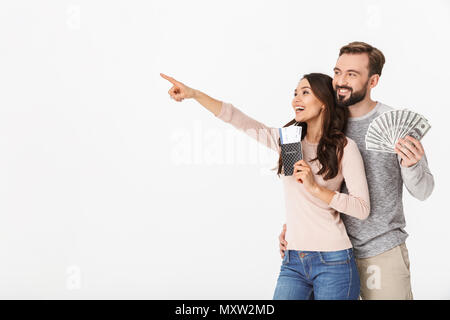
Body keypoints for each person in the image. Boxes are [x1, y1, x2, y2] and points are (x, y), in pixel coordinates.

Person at [160, 71, 370, 300]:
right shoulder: (290, 143)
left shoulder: (343, 147)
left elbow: (361, 208)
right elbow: (237, 118)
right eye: (295, 93)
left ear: (324, 103)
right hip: (293, 261)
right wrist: (194, 94)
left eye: (305, 93)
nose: (296, 99)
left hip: (333, 260)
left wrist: (316, 188)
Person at [278, 42, 435, 300]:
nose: (340, 81)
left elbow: (424, 191)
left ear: (373, 80)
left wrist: (412, 165)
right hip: (330, 255)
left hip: (380, 252)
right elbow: (306, 184)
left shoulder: (394, 124)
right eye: (337, 71)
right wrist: (294, 231)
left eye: (352, 74)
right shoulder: (321, 122)